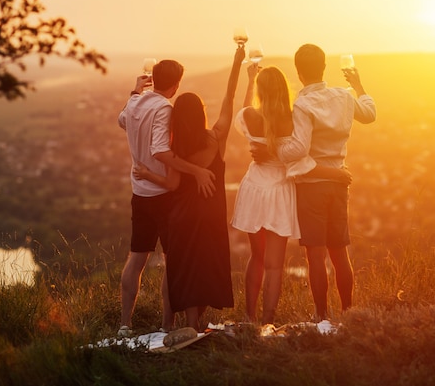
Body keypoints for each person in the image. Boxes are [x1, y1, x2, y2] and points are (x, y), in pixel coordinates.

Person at [256, 44, 376, 322]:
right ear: (324, 67)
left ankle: (322, 316)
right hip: (339, 182)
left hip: (312, 185)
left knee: (316, 257)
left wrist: (272, 149)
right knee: (340, 253)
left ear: (298, 73)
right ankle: (347, 313)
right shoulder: (343, 97)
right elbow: (369, 114)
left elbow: (298, 148)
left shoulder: (303, 104)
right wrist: (359, 86)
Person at [134, 45, 246, 331]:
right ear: (201, 114)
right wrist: (238, 64)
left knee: (184, 271)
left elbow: (171, 183)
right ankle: (199, 325)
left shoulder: (176, 150)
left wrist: (147, 173)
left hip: (182, 218)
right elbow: (229, 99)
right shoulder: (215, 139)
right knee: (207, 269)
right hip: (210, 218)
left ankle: (189, 324)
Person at [232, 63, 352, 325]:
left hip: (254, 188)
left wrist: (249, 80)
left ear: (260, 91)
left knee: (257, 257)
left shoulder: (249, 117)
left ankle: (249, 317)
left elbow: (241, 113)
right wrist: (335, 174)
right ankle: (267, 321)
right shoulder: (290, 120)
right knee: (274, 264)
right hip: (279, 191)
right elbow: (302, 159)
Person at [117, 59, 216, 337]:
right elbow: (160, 150)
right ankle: (166, 325)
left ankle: (125, 324)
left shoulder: (136, 101)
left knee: (136, 258)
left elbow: (122, 120)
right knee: (173, 262)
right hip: (162, 194)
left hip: (139, 192)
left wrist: (135, 92)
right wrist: (195, 170)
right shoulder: (164, 108)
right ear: (175, 85)